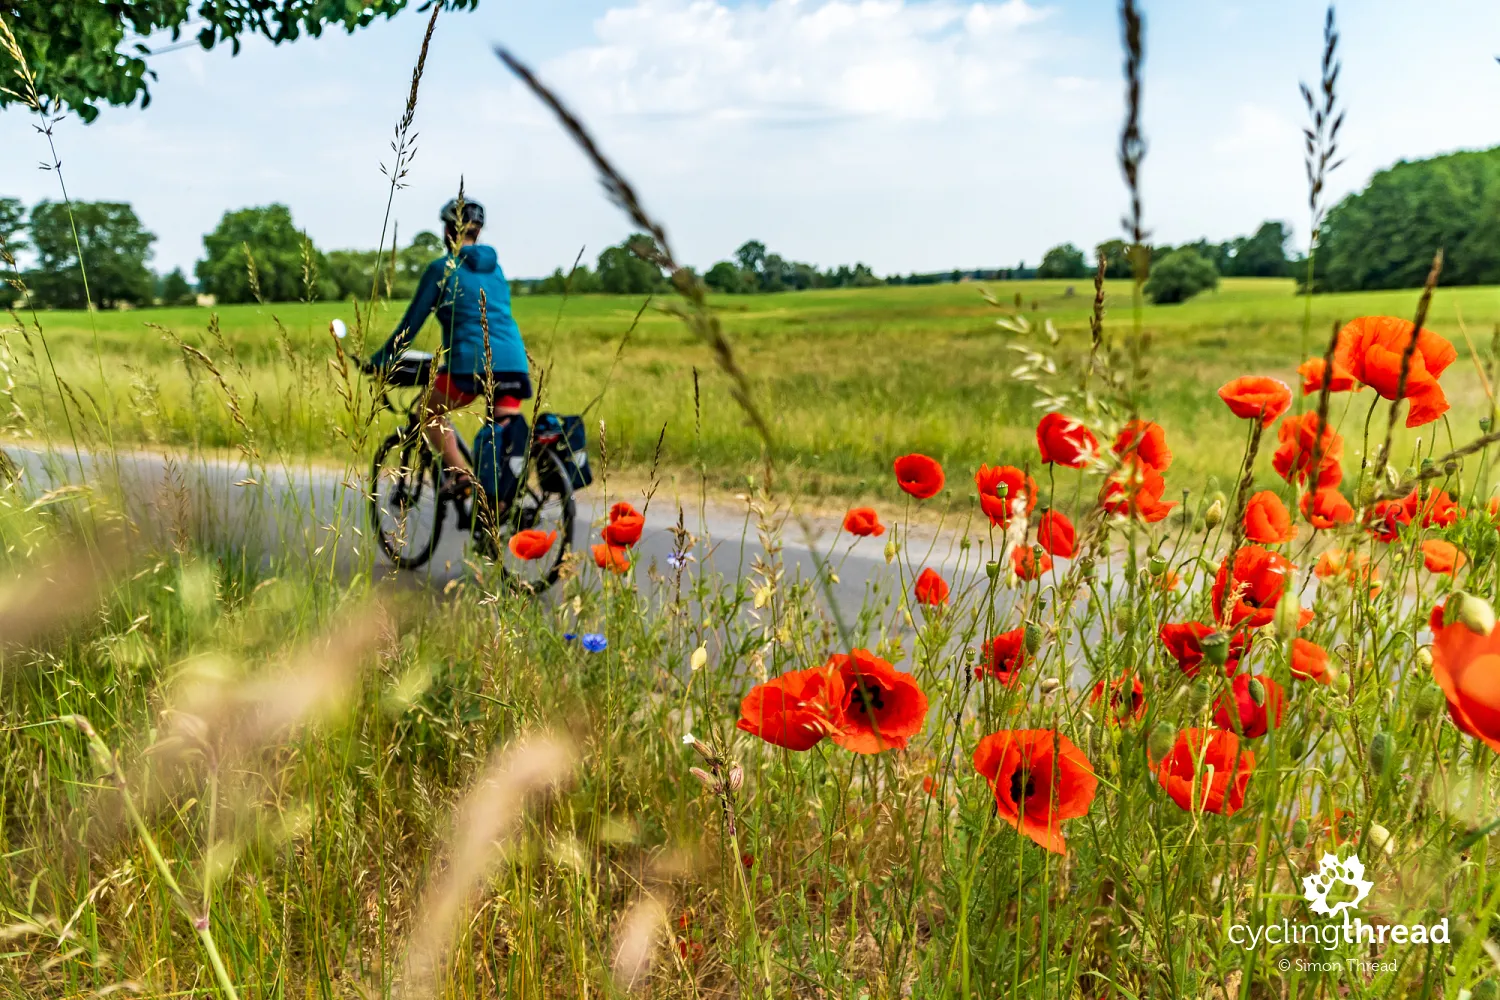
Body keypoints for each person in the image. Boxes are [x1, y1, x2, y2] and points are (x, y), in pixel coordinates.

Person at [366, 196, 529, 492]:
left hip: (469, 366)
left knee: (427, 413)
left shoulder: (442, 267)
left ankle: (461, 476)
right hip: (514, 364)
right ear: (477, 232)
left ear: (447, 231)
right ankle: (500, 504)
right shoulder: (496, 269)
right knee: (505, 431)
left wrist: (380, 361)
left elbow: (410, 325)